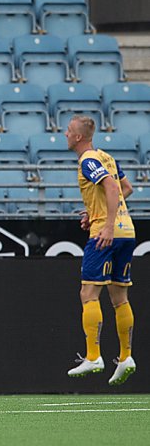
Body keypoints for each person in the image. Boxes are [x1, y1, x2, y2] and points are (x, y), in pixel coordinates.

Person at [64, 116, 137, 385]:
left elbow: (109, 186)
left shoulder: (88, 161)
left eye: (69, 131)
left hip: (106, 234)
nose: (65, 134)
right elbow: (125, 188)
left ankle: (94, 356)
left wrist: (105, 224)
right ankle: (126, 356)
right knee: (119, 298)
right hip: (127, 231)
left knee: (88, 292)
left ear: (79, 137)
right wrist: (98, 212)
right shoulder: (106, 157)